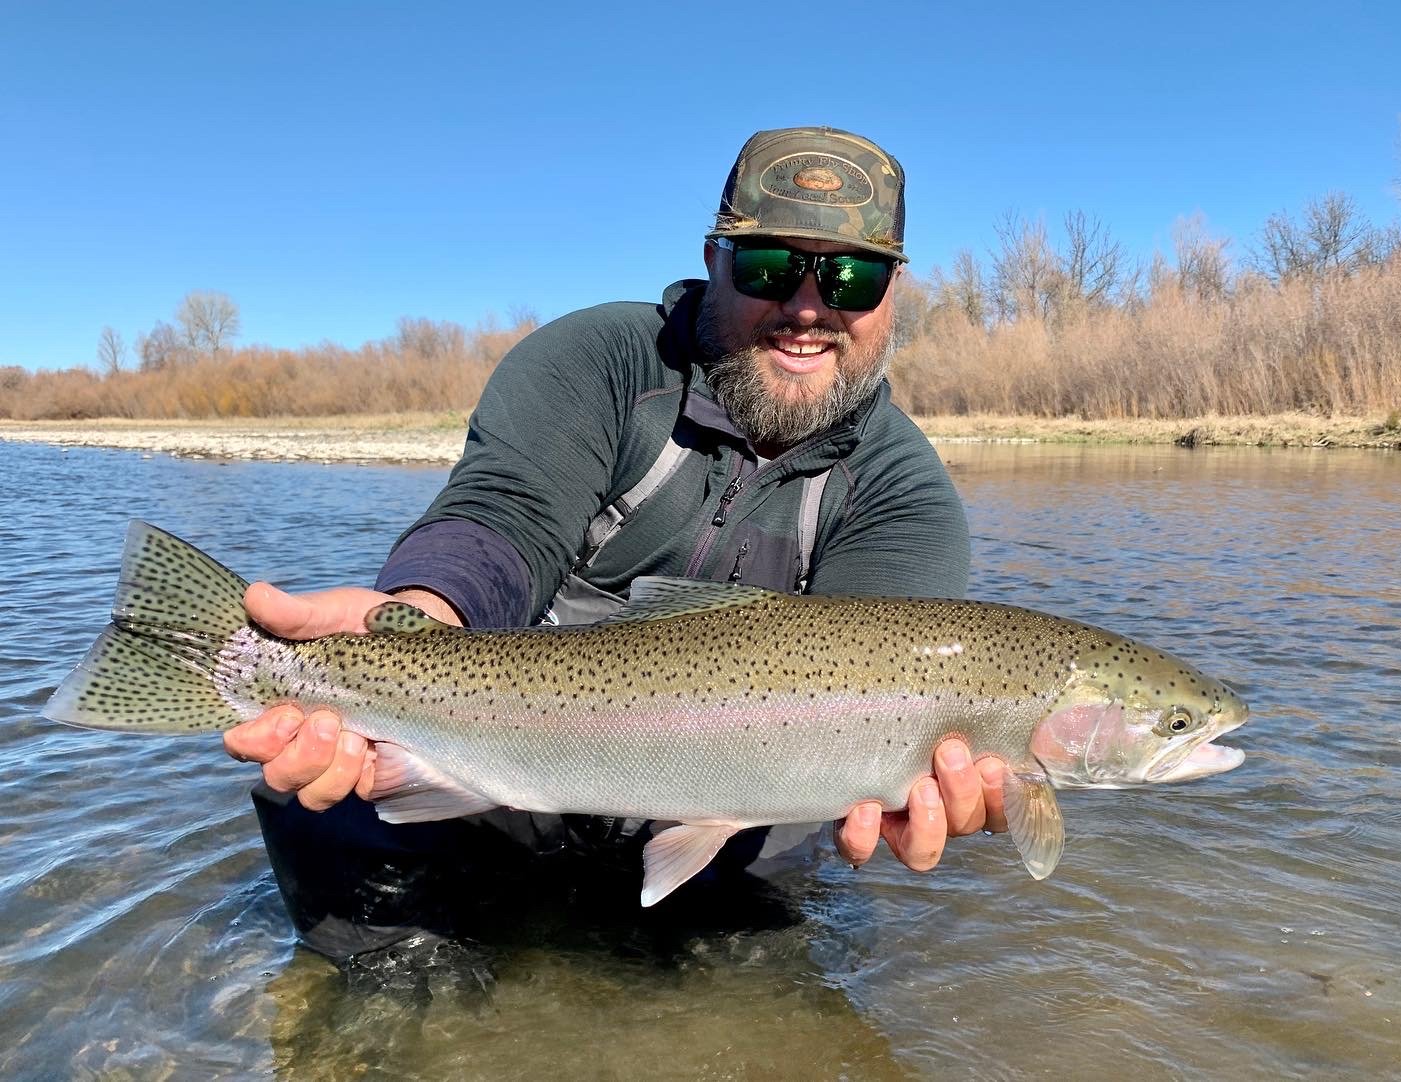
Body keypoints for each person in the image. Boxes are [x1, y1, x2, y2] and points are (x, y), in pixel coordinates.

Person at [226, 127, 1008, 958]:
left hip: (735, 807)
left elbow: (877, 689)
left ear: (893, 291)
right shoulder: (600, 361)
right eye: (770, 266)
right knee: (378, 941)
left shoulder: (904, 492)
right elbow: (503, 518)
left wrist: (906, 787)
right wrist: (414, 618)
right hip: (499, 762)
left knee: (749, 1013)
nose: (809, 307)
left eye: (852, 274)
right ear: (714, 260)